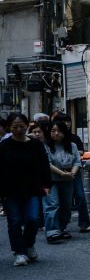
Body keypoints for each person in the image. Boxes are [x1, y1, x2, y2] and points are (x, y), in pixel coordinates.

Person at [0, 113, 51, 265]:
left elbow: (44, 165)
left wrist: (46, 184)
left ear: (27, 125)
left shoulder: (36, 144)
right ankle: (19, 252)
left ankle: (29, 244)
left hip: (32, 188)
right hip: (10, 190)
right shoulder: (4, 146)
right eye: (15, 127)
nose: (19, 129)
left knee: (33, 219)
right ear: (9, 127)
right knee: (14, 221)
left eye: (22, 126)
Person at [43, 120, 81, 244]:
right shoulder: (46, 145)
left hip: (68, 179)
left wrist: (72, 173)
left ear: (65, 132)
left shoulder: (72, 145)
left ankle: (61, 228)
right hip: (50, 180)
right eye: (53, 131)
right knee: (52, 204)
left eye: (59, 131)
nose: (56, 133)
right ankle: (52, 232)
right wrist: (62, 173)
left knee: (66, 206)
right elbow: (46, 163)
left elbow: (77, 162)